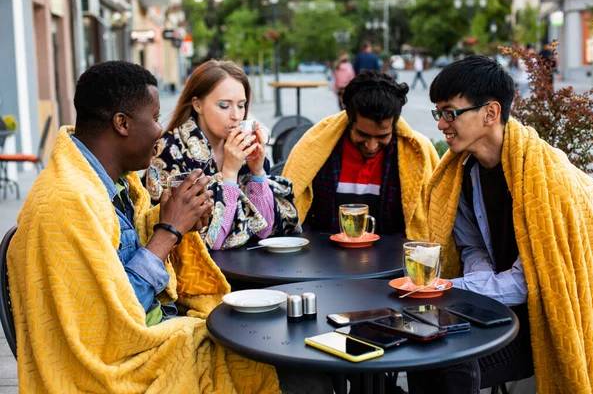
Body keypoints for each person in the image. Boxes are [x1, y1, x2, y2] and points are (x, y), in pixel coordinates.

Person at [6, 61, 331, 393]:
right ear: (122, 123)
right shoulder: (67, 201)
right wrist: (169, 230)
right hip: (128, 364)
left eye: (241, 105)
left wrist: (174, 220)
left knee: (297, 357)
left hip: (161, 332)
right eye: (155, 118)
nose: (160, 130)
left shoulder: (115, 185)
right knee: (304, 379)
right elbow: (107, 326)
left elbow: (262, 229)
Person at [414, 55, 593, 393]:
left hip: (550, 315)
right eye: (438, 113)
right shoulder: (464, 174)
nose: (441, 124)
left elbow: (536, 281)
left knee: (453, 360)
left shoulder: (547, 178)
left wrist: (448, 289)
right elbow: (472, 246)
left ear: (491, 113)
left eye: (450, 112)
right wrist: (473, 284)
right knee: (421, 342)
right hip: (501, 307)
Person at [146, 60, 301, 250]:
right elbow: (209, 242)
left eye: (241, 105)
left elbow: (266, 230)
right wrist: (229, 173)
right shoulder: (170, 150)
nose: (236, 115)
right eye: (224, 106)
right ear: (197, 105)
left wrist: (258, 171)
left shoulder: (243, 148)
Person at [283, 71, 439, 238]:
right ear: (349, 120)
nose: (371, 146)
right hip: (324, 257)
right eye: (363, 135)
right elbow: (297, 215)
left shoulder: (418, 153)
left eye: (382, 136)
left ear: (394, 124)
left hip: (395, 260)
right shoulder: (316, 150)